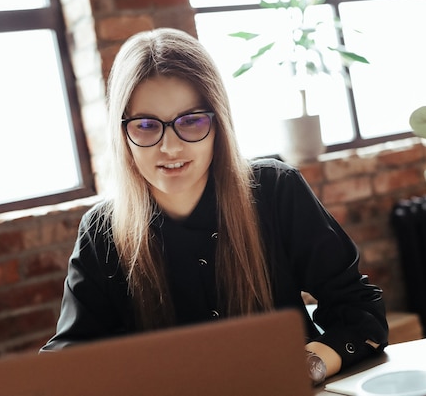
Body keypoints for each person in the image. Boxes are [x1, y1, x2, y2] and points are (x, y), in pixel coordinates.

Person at [41, 27, 388, 384]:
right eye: (146, 125)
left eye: (191, 121)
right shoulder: (101, 233)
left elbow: (361, 313)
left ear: (218, 123)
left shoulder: (276, 190)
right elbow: (68, 362)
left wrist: (305, 367)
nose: (171, 148)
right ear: (123, 134)